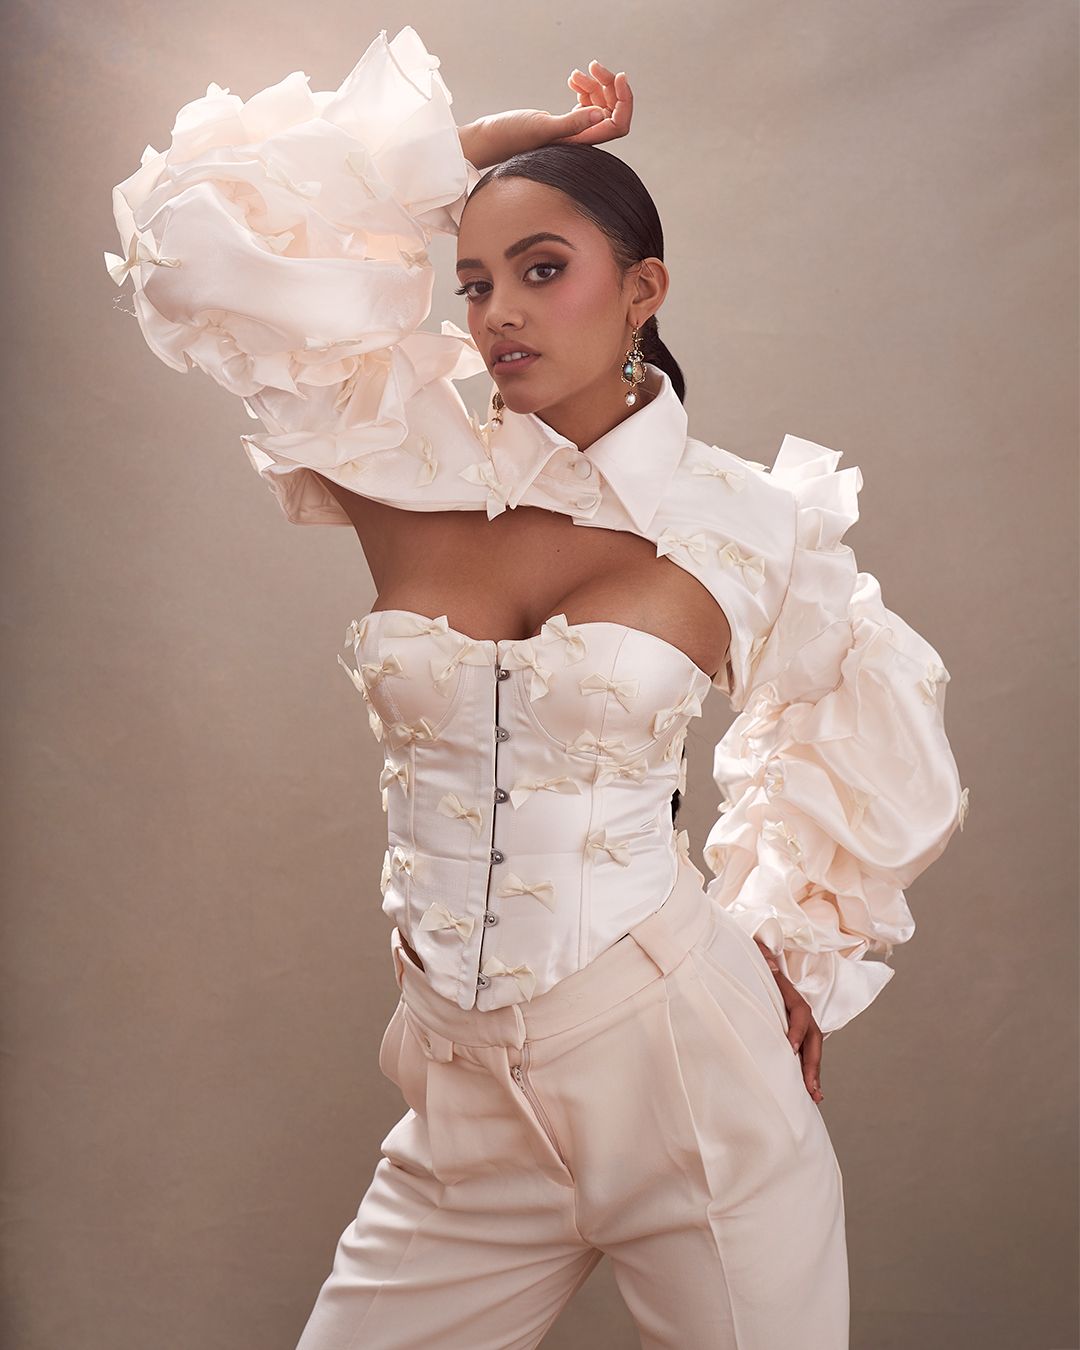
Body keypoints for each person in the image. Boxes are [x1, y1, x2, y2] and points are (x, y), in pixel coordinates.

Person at [105, 25, 968, 1349]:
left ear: (642, 290)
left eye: (544, 269)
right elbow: (194, 235)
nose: (499, 311)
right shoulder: (400, 468)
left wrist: (790, 944)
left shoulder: (742, 522)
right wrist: (477, 153)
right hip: (464, 1111)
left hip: (695, 1087)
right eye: (473, 281)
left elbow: (859, 720)